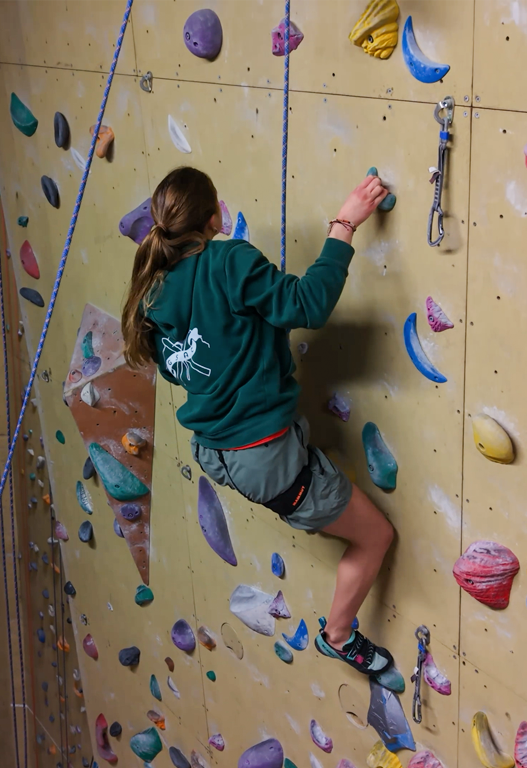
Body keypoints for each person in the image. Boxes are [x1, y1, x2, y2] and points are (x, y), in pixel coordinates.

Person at [120, 166, 399, 683]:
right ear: (214, 216)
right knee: (376, 536)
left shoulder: (153, 290)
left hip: (219, 451)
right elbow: (308, 304)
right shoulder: (229, 261)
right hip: (266, 461)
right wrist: (345, 224)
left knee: (327, 493)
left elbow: (180, 364)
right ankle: (338, 637)